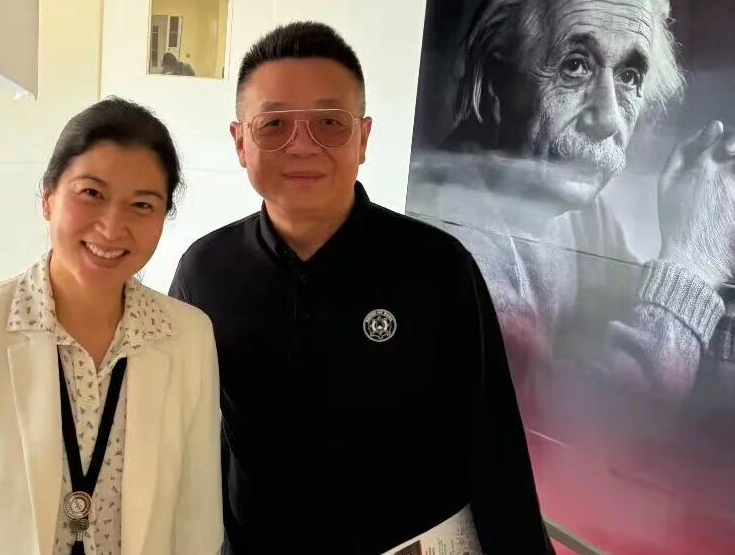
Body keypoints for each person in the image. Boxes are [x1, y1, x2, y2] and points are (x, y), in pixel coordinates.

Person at [169, 21, 553, 554]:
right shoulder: (205, 270)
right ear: (240, 142)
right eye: (273, 124)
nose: (301, 146)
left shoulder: (437, 268)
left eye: (329, 122)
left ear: (364, 138)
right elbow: (182, 437)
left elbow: (494, 444)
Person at [0, 98, 223, 555]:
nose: (112, 226)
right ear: (47, 197)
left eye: (142, 204)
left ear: (163, 218)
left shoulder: (188, 337)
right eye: (91, 194)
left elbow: (197, 521)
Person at [406, 0, 735, 408]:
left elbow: (668, 339)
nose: (609, 119)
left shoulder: (579, 215)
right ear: (495, 79)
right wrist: (691, 263)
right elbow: (597, 420)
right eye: (575, 66)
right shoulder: (451, 247)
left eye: (629, 76)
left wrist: (719, 242)